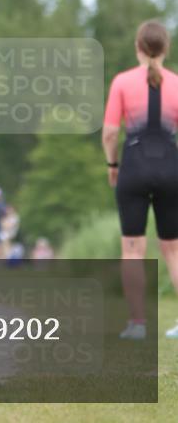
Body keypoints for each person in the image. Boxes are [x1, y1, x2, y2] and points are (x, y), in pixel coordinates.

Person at [102, 20, 178, 340]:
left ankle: (137, 324)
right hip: (171, 170)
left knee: (133, 249)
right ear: (166, 49)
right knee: (174, 250)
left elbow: (110, 132)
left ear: (138, 47)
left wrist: (113, 164)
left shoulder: (122, 82)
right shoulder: (177, 83)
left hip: (132, 168)